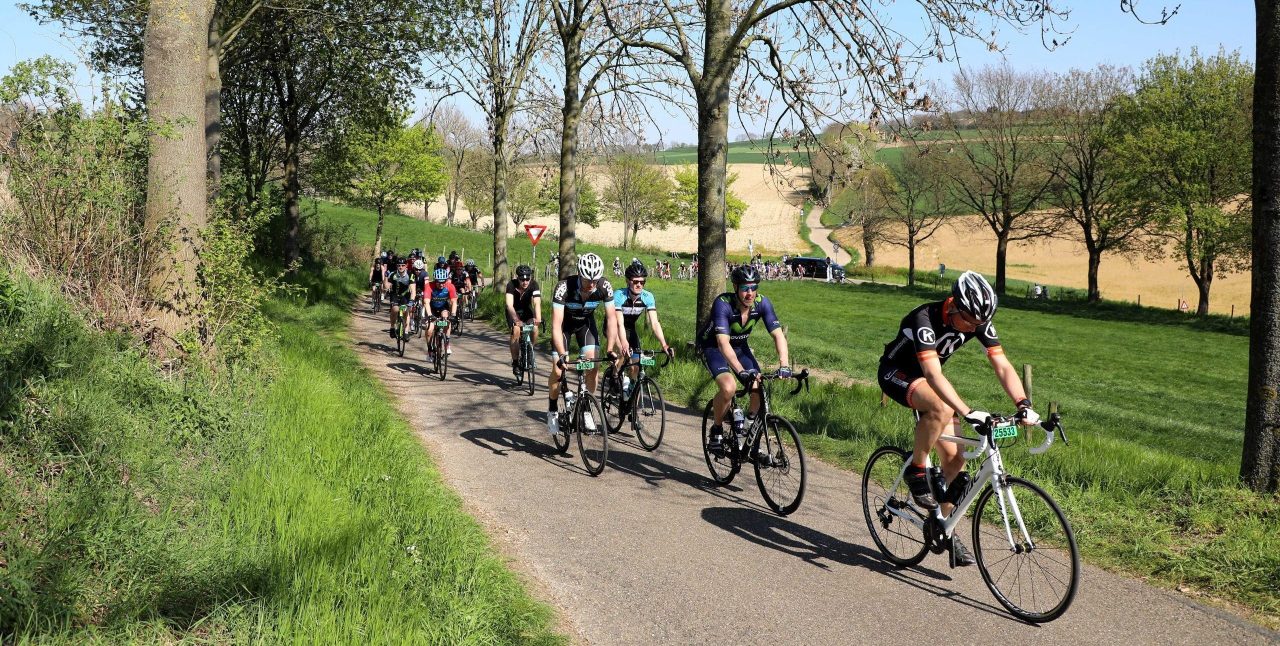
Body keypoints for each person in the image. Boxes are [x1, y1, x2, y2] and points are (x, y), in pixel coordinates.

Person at [877, 270, 1040, 567]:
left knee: (955, 460)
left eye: (980, 323)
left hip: (928, 381)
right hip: (897, 374)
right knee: (942, 408)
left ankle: (941, 526)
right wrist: (967, 411)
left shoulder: (976, 319)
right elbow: (932, 373)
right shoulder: (924, 319)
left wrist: (1023, 404)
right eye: (970, 321)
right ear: (953, 305)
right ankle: (916, 471)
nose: (974, 328)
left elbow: (1001, 365)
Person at [698, 265, 792, 455]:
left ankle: (747, 429)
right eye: (744, 288)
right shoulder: (723, 303)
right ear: (735, 287)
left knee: (757, 387)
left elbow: (778, 335)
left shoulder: (762, 303)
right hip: (713, 347)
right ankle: (716, 429)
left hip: (740, 348)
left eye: (753, 287)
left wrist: (784, 365)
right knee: (729, 387)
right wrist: (741, 371)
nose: (750, 293)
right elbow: (723, 343)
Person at [547, 253, 616, 439]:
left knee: (593, 365)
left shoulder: (604, 286)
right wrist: (562, 354)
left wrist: (610, 349)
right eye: (588, 280)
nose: (592, 284)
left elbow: (611, 319)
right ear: (579, 274)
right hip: (564, 327)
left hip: (585, 324)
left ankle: (585, 408)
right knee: (559, 370)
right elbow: (555, 325)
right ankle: (553, 409)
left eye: (595, 279)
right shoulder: (564, 287)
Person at [609, 262, 676, 393]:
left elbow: (655, 323)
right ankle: (615, 374)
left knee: (636, 365)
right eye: (635, 282)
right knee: (623, 353)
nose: (639, 285)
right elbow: (619, 324)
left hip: (630, 328)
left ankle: (630, 399)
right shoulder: (619, 295)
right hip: (614, 327)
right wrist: (624, 344)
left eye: (642, 282)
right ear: (628, 281)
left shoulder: (648, 297)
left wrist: (664, 345)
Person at [505, 264, 542, 373]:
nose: (525, 282)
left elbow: (536, 303)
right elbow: (509, 305)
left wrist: (538, 318)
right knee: (516, 331)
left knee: (534, 328)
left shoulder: (534, 285)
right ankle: (515, 362)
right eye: (522, 279)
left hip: (526, 311)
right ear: (518, 278)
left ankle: (530, 351)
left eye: (527, 279)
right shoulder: (511, 285)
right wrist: (516, 320)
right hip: (513, 312)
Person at [424, 267, 458, 360]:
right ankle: (429, 349)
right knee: (430, 329)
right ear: (435, 280)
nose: (441, 284)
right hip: (431, 309)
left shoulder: (450, 286)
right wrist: (430, 316)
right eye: (439, 282)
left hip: (443, 308)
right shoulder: (429, 286)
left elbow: (454, 302)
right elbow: (426, 302)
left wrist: (454, 314)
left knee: (447, 319)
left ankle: (447, 344)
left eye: (443, 282)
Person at [382, 257, 416, 339]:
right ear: (396, 266)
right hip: (395, 295)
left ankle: (406, 332)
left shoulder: (410, 275)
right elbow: (386, 288)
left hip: (406, 295)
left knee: (406, 312)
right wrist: (385, 277)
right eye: (399, 265)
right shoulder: (393, 274)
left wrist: (411, 301)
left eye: (403, 265)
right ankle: (392, 327)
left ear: (406, 266)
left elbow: (413, 290)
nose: (401, 267)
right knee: (395, 309)